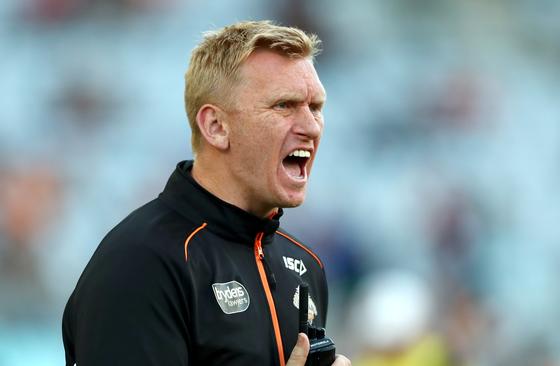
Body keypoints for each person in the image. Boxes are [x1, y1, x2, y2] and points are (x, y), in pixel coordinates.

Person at [62, 20, 351, 366]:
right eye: (283, 106)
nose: (310, 127)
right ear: (216, 127)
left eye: (315, 107)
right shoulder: (142, 262)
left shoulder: (306, 265)